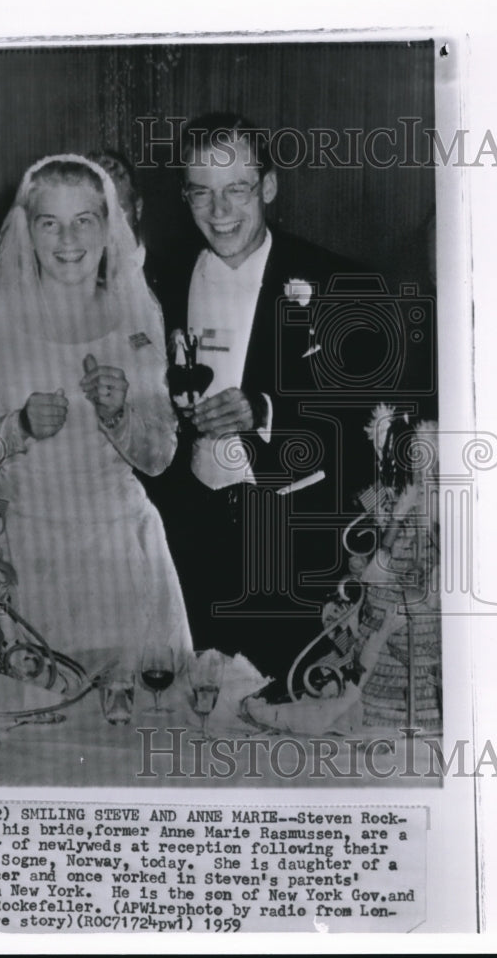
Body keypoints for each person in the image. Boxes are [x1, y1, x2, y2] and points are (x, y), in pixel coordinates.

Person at [147, 113, 377, 686]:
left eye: (237, 190)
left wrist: (268, 412)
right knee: (195, 717)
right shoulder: (158, 280)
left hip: (289, 544)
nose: (219, 211)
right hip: (189, 538)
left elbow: (365, 415)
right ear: (184, 197)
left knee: (284, 714)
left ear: (268, 187)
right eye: (201, 193)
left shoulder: (334, 281)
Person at [0, 154, 191, 662]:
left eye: (84, 221)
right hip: (26, 555)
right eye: (50, 223)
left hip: (121, 554)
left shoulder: (137, 313)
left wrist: (119, 415)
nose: (68, 240)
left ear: (109, 226)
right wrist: (16, 427)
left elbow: (160, 457)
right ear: (26, 229)